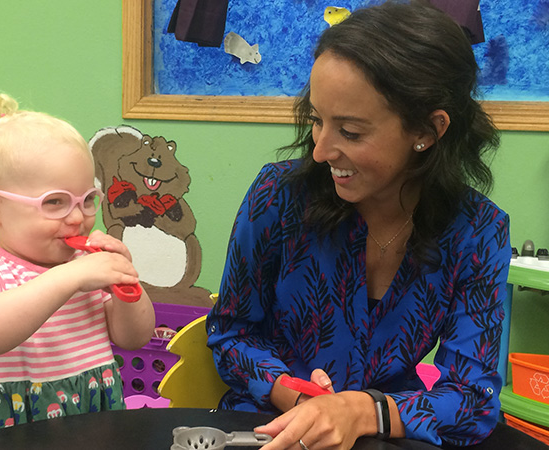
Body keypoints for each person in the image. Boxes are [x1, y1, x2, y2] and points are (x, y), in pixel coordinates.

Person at [206, 1, 511, 449]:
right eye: (316, 120)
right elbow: (230, 333)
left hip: (381, 437)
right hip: (265, 431)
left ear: (428, 130)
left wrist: (361, 411)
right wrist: (302, 401)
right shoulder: (279, 197)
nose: (320, 151)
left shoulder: (478, 231)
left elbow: (472, 398)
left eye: (349, 131)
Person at [0, 94, 155, 441]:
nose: (78, 218)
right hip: (8, 426)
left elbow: (134, 338)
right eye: (55, 202)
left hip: (92, 415)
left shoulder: (86, 266)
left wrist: (125, 281)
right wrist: (69, 277)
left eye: (87, 200)